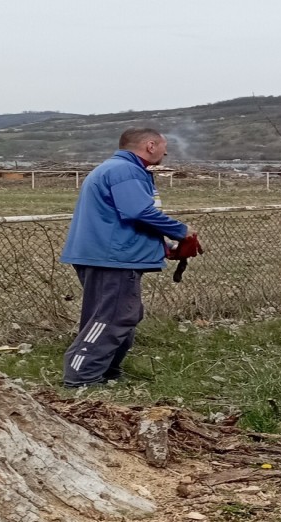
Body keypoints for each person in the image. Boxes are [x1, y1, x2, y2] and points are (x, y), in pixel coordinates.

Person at [61, 127, 192, 387]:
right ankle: (81, 378)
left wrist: (164, 245)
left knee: (117, 315)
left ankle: (107, 372)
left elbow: (120, 219)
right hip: (113, 258)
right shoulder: (126, 171)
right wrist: (182, 231)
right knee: (113, 317)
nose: (166, 152)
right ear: (151, 145)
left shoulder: (116, 168)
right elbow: (138, 212)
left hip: (106, 254)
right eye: (165, 147)